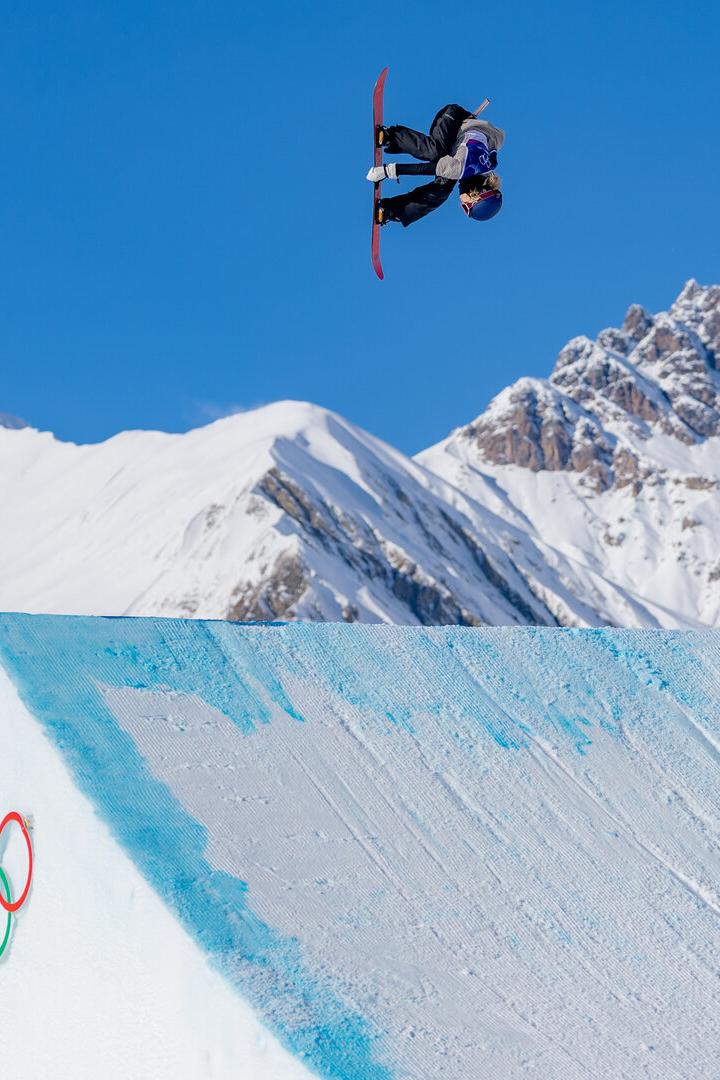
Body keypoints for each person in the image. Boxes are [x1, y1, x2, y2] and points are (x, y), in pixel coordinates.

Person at [366, 103, 504, 227]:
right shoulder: (463, 168)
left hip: (455, 143)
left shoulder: (485, 168)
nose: (462, 203)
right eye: (466, 206)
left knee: (441, 191)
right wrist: (387, 171)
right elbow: (425, 169)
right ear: (476, 195)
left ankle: (392, 210)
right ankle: (391, 136)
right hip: (453, 117)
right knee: (434, 152)